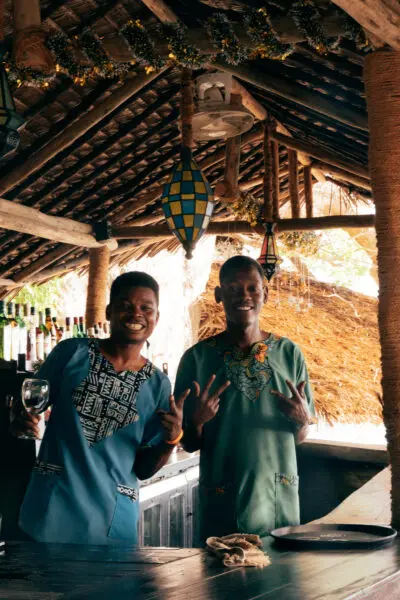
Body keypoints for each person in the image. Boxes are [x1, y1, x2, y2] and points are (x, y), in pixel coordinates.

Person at [11, 272, 189, 545]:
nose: (136, 314)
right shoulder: (71, 353)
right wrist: (21, 419)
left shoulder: (158, 384)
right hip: (53, 509)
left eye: (146, 308)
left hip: (110, 517)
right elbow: (30, 405)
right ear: (109, 311)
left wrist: (171, 439)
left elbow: (144, 469)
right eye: (125, 305)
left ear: (156, 317)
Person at [175, 255, 315, 541]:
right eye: (233, 289)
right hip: (222, 498)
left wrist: (302, 421)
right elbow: (188, 443)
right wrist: (197, 423)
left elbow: (300, 437)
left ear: (266, 293)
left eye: (252, 288)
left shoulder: (289, 354)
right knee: (223, 566)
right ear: (219, 295)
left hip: (277, 498)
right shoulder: (197, 359)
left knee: (280, 567)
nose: (244, 296)